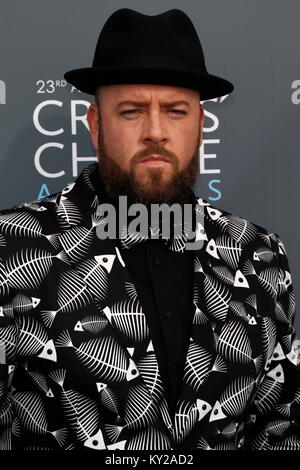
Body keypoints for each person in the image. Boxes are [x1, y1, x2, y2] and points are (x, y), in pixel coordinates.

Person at [0, 8, 299, 451]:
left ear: (200, 126)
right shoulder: (11, 246)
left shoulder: (259, 255)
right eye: (132, 111)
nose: (155, 132)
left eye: (176, 111)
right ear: (96, 126)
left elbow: (280, 425)